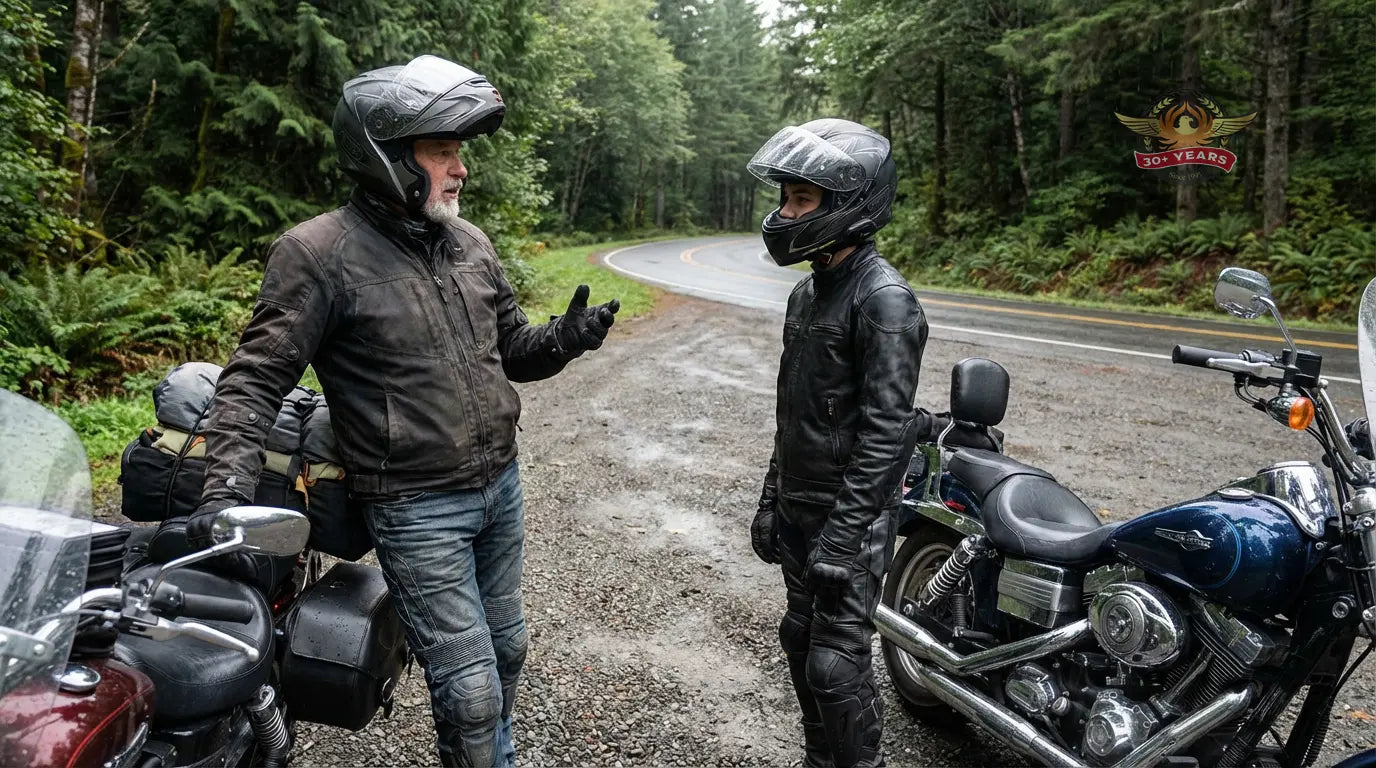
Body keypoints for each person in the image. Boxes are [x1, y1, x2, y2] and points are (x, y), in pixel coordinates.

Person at [186, 54, 620, 768]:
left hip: (500, 485)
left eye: (459, 152)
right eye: (442, 151)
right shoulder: (317, 254)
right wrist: (225, 496)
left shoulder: (469, 242)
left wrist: (565, 339)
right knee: (470, 689)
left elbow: (513, 350)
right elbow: (254, 382)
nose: (461, 169)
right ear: (385, 156)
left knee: (508, 647)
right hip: (415, 506)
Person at [746, 119, 928, 768]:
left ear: (851, 204)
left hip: (850, 516)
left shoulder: (884, 301)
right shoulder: (807, 294)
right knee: (799, 639)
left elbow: (888, 431)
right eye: (786, 198)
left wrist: (846, 535)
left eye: (803, 200)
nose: (787, 213)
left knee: (835, 664)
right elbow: (792, 411)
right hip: (800, 506)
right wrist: (771, 499)